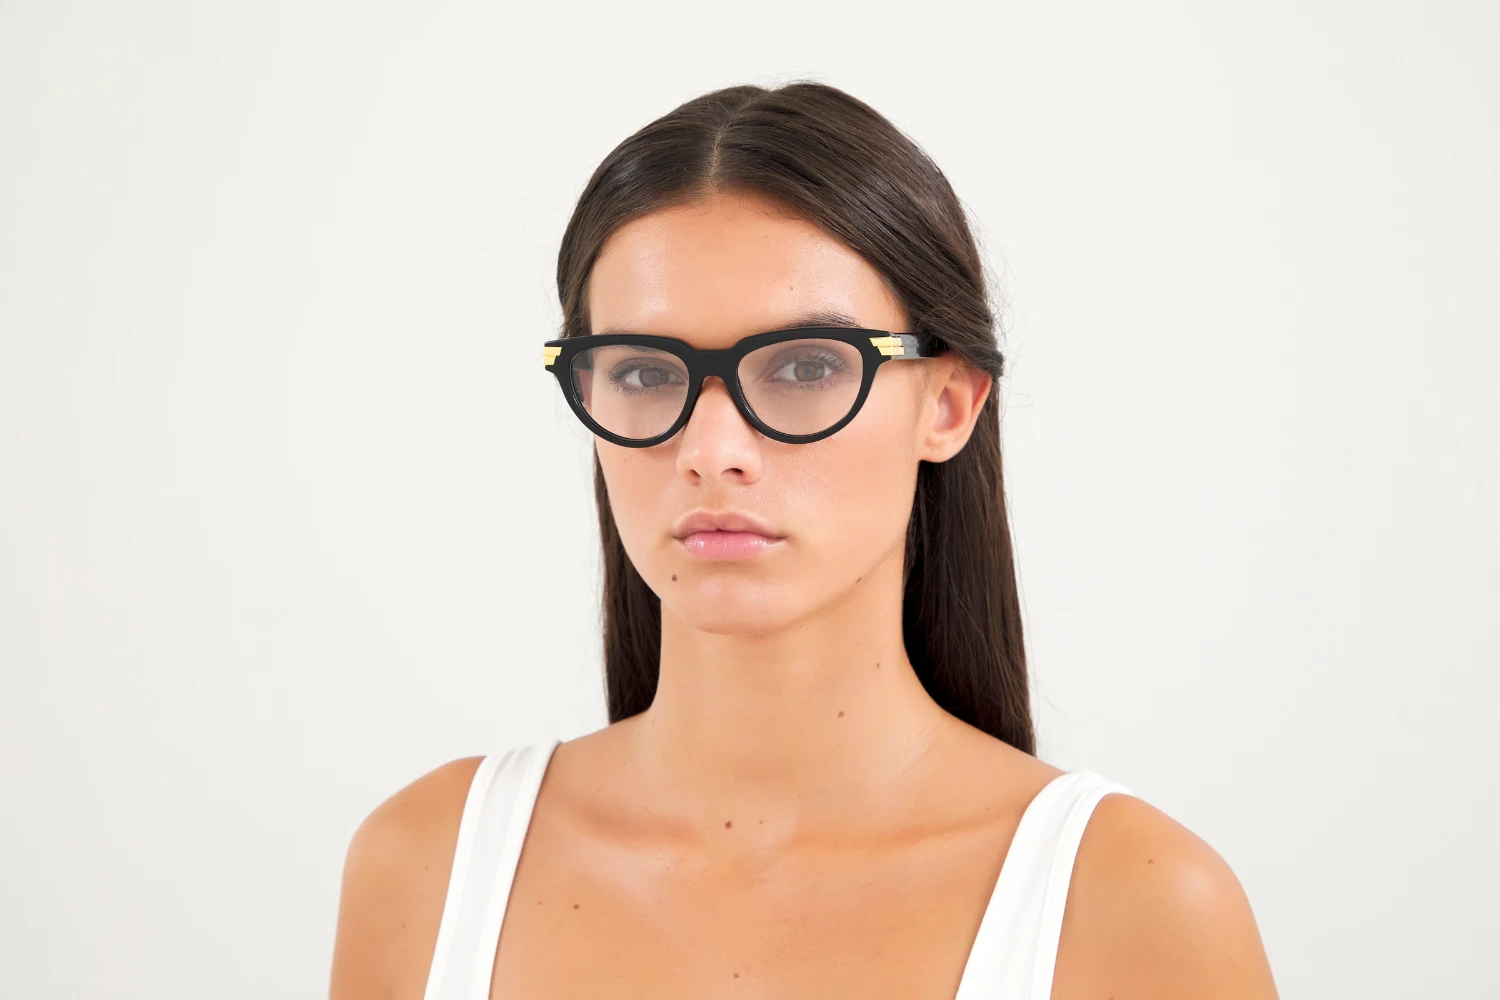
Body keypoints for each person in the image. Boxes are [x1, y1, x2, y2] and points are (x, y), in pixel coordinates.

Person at [329, 82, 1279, 1000]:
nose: (711, 452)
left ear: (948, 404)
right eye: (645, 373)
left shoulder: (1137, 907)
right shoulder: (426, 868)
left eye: (806, 366)